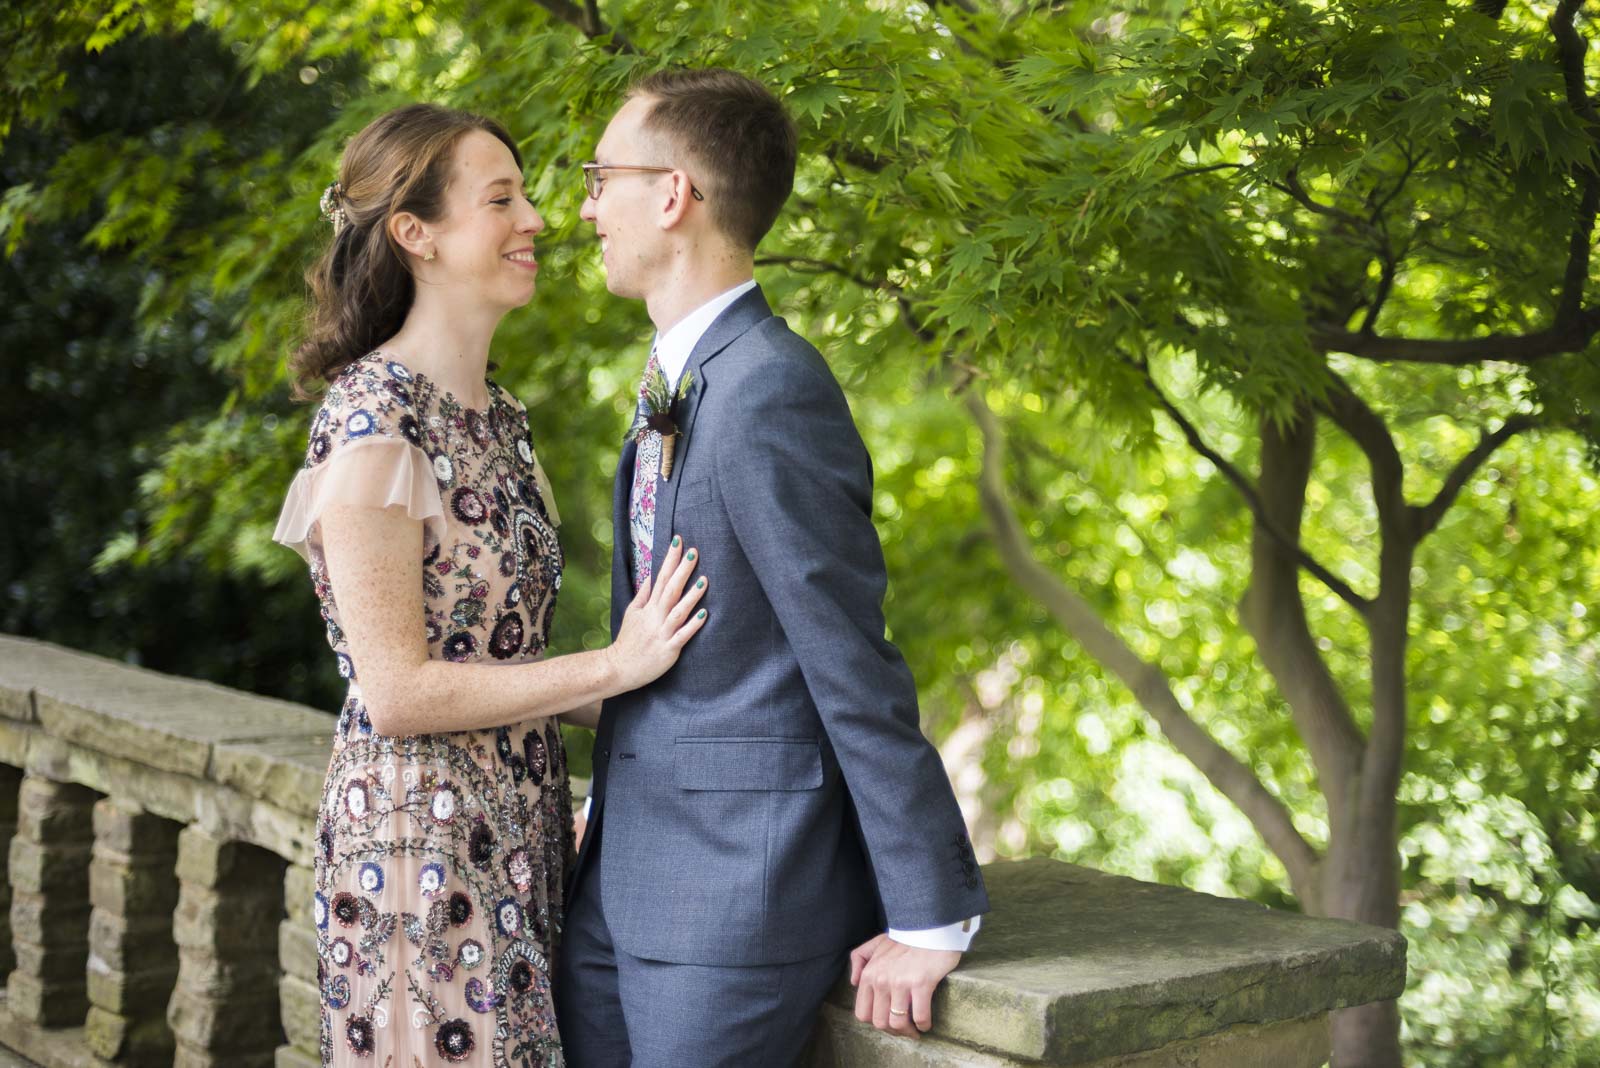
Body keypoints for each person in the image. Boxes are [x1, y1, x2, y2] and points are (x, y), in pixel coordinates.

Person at [555, 69, 990, 1067]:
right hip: (619, 885)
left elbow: (846, 657)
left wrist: (930, 915)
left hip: (732, 910)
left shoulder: (768, 390)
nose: (584, 206)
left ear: (671, 195)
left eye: (599, 176)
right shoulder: (678, 377)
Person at [272, 103, 707, 1067]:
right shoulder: (373, 423)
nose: (537, 220)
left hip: (524, 824)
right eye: (501, 199)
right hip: (416, 854)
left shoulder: (500, 415)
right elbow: (399, 692)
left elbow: (504, 659)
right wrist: (616, 664)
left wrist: (703, 703)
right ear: (414, 235)